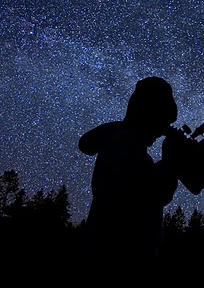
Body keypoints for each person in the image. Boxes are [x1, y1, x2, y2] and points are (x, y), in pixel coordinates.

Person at [78, 76, 185, 277]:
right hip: (119, 262)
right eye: (161, 123)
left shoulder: (123, 143)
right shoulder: (124, 146)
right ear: (148, 115)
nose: (161, 132)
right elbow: (150, 195)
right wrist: (170, 162)